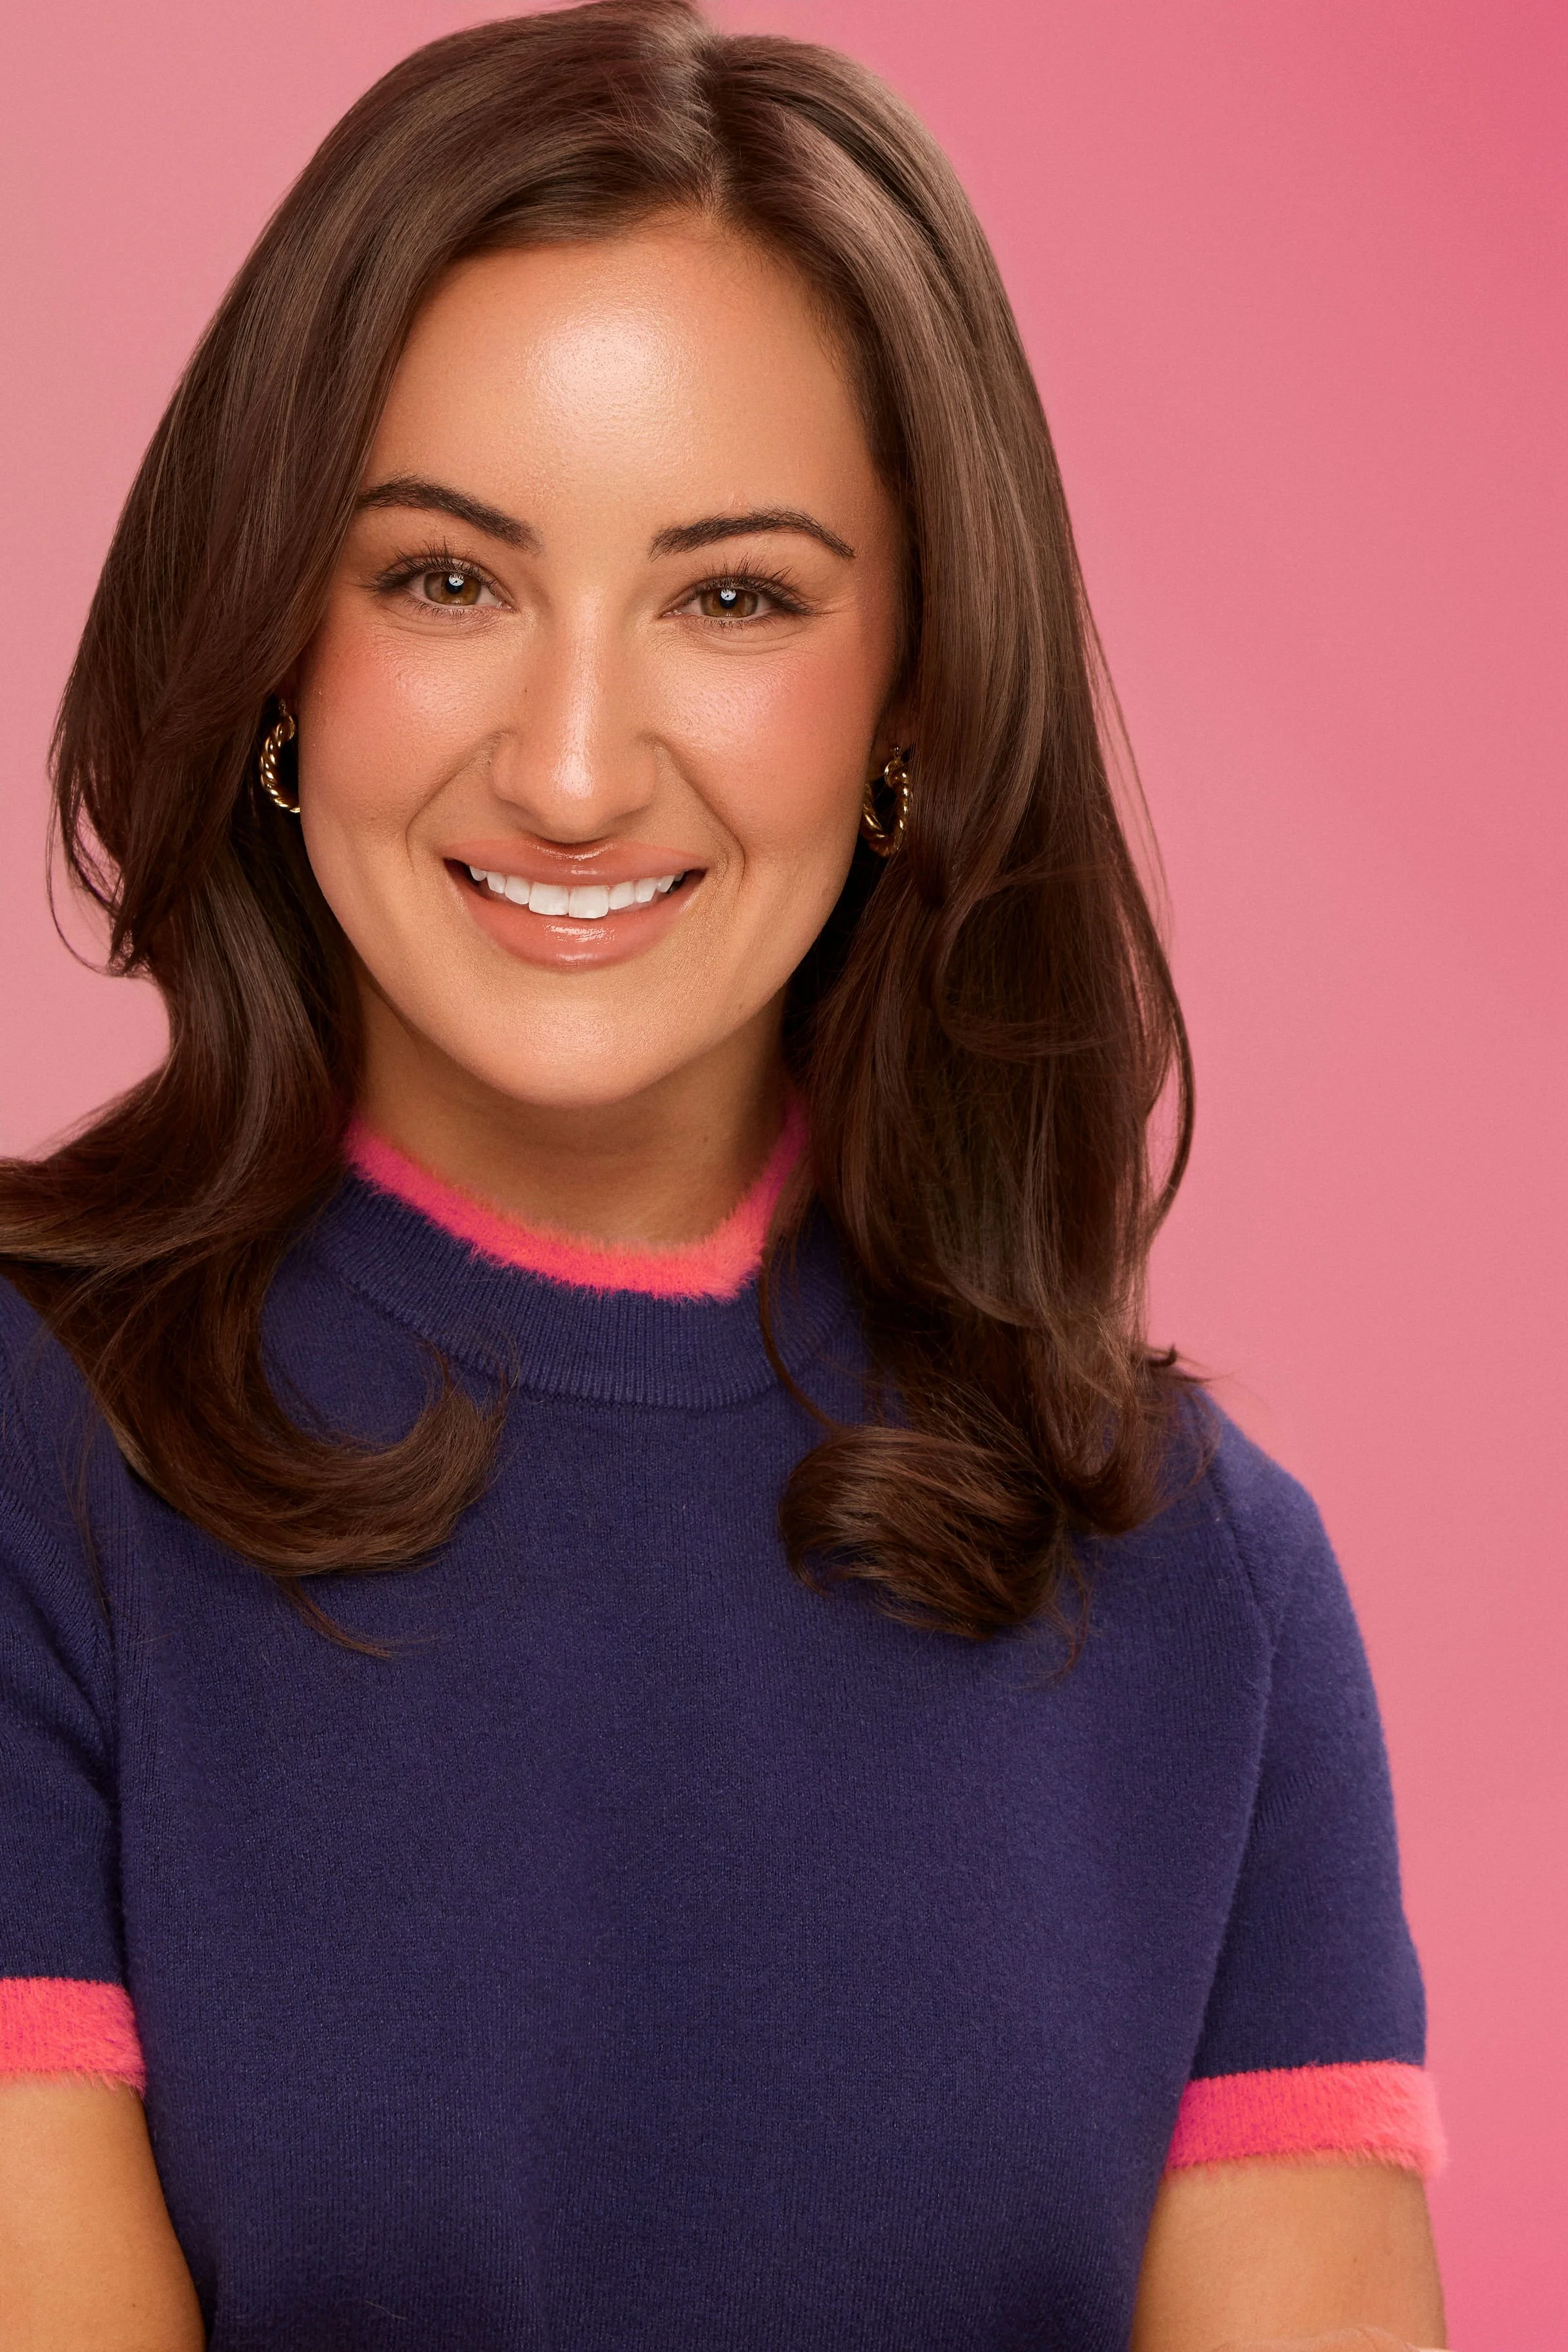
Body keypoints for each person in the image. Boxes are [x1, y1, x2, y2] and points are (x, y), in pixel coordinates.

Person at [0, 3, 1448, 2345]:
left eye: (738, 596)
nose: (574, 768)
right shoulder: (31, 1465)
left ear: (911, 705)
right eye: (445, 580)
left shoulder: (1208, 1588)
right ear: (278, 645)